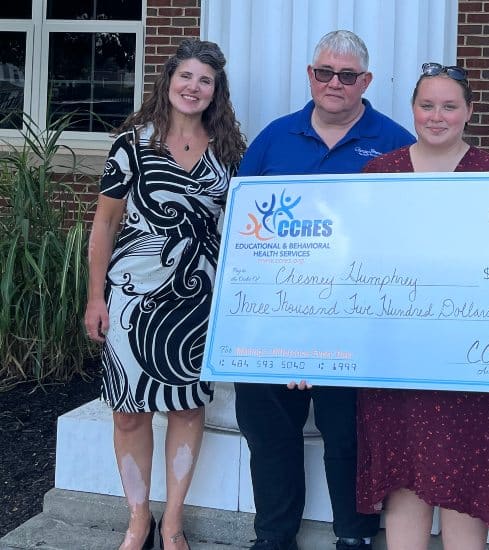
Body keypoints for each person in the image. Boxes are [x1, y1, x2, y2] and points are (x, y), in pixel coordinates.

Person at [233, 30, 414, 550]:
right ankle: (273, 538)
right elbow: (242, 227)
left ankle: (353, 538)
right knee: (269, 436)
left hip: (356, 320)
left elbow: (409, 233)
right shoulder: (274, 138)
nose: (335, 83)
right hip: (273, 318)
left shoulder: (397, 143)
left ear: (367, 81)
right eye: (324, 73)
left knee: (350, 438)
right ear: (310, 75)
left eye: (348, 75)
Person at [354, 62, 489, 550]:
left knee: (466, 491)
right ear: (412, 109)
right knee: (405, 481)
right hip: (398, 362)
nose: (437, 116)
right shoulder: (379, 173)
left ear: (469, 112)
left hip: (472, 365)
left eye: (449, 106)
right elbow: (355, 270)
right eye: (427, 105)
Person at [84, 38, 246, 550]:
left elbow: (242, 230)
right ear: (168, 81)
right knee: (128, 411)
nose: (193, 87)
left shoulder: (228, 152)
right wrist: (95, 297)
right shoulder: (132, 144)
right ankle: (138, 518)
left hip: (199, 304)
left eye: (205, 80)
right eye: (186, 77)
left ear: (215, 92)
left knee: (186, 409)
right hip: (131, 300)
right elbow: (104, 225)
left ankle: (172, 520)